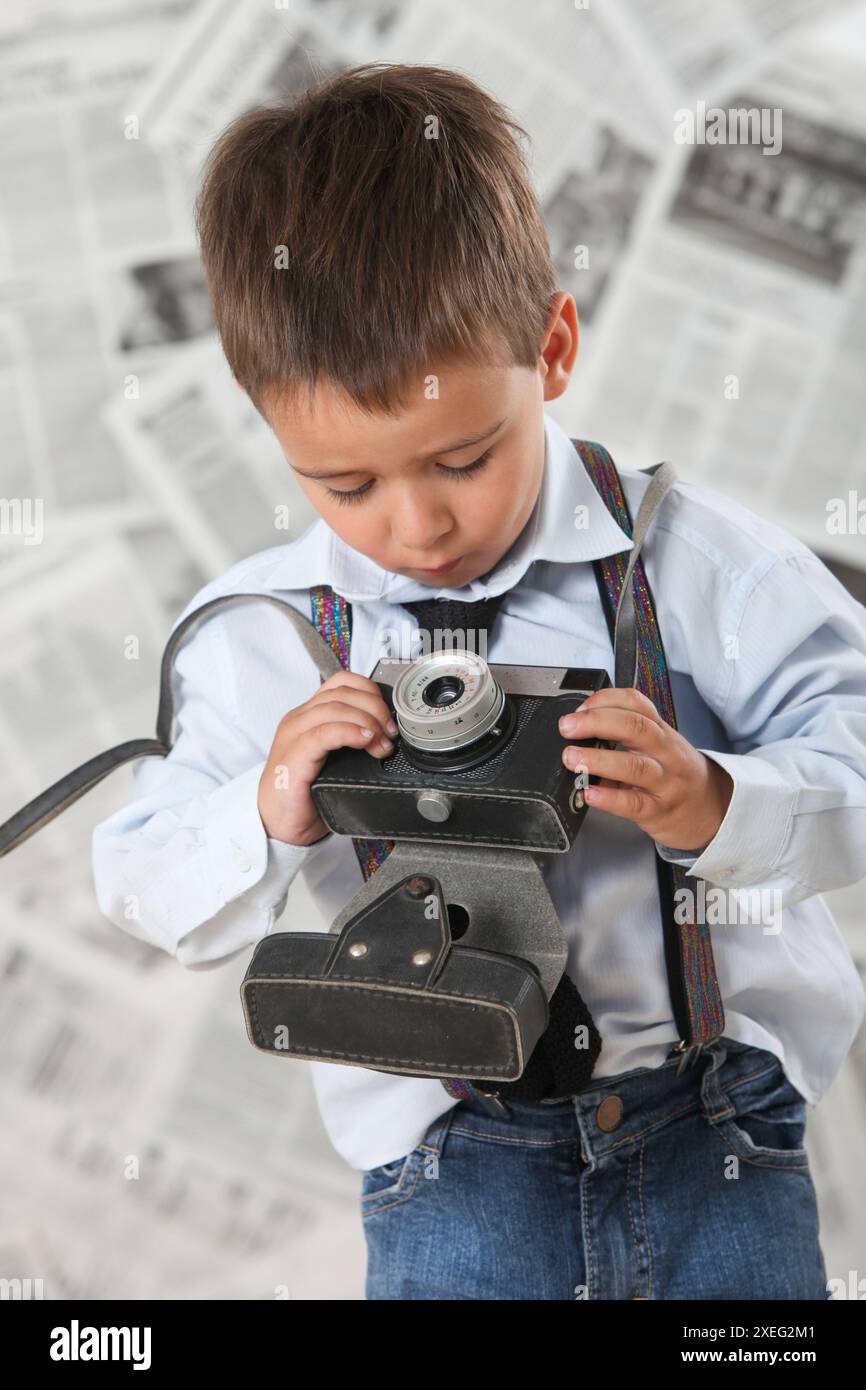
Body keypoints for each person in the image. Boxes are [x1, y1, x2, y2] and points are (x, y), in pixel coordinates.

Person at [92, 63, 866, 1300]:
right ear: (268, 422)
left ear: (551, 348)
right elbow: (137, 879)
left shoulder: (693, 561)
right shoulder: (263, 632)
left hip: (711, 1127)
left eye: (462, 456)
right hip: (450, 1163)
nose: (415, 524)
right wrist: (265, 804)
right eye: (346, 486)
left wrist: (719, 799)